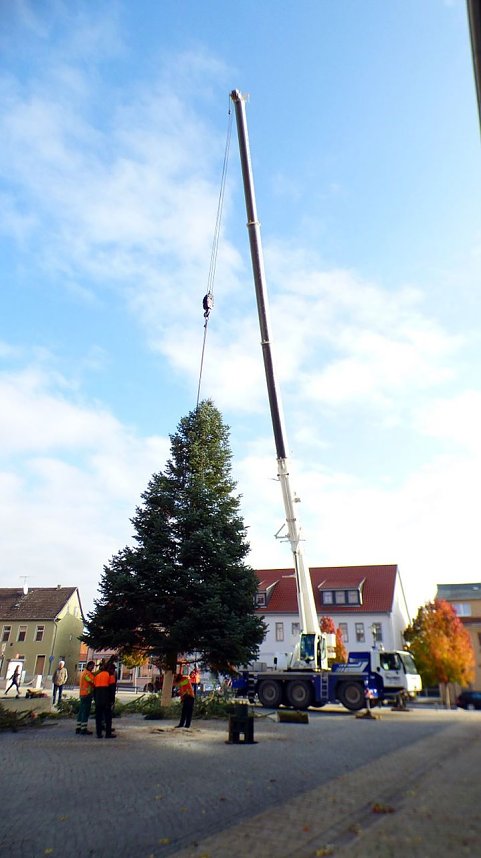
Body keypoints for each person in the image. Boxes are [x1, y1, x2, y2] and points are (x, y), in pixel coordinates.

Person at [94, 662, 116, 739]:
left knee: (98, 717)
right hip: (106, 699)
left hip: (98, 699)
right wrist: (112, 701)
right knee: (108, 717)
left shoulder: (97, 676)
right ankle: (108, 733)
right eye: (113, 669)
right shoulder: (110, 676)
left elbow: (94, 689)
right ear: (110, 669)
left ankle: (99, 733)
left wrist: (95, 699)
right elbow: (112, 689)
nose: (114, 671)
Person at [76, 660, 95, 735]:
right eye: (92, 667)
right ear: (89, 666)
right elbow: (90, 681)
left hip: (82, 694)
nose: (93, 668)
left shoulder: (83, 672)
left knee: (81, 711)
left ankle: (78, 727)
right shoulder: (87, 674)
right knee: (85, 712)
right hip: (87, 694)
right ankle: (83, 729)